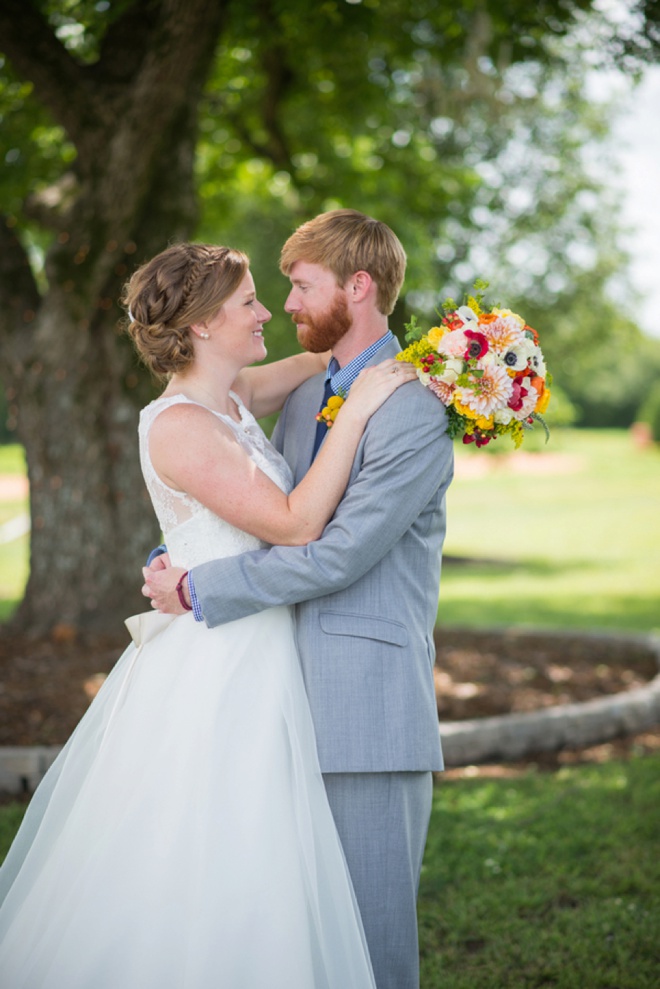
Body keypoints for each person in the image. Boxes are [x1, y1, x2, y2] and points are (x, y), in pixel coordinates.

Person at [0, 241, 417, 988]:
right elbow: (293, 524)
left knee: (270, 858)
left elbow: (326, 365)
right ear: (198, 325)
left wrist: (410, 363)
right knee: (208, 848)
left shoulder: (234, 395)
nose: (268, 312)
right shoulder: (179, 425)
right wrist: (356, 412)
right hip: (216, 664)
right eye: (250, 302)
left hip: (264, 647)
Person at [144, 210, 455, 989]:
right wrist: (179, 551)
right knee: (290, 948)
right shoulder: (307, 390)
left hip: (365, 712)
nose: (283, 305)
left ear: (359, 286)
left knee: (371, 950)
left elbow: (337, 552)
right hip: (270, 708)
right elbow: (253, 513)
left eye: (300, 285)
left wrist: (197, 585)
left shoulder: (408, 409)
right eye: (270, 291)